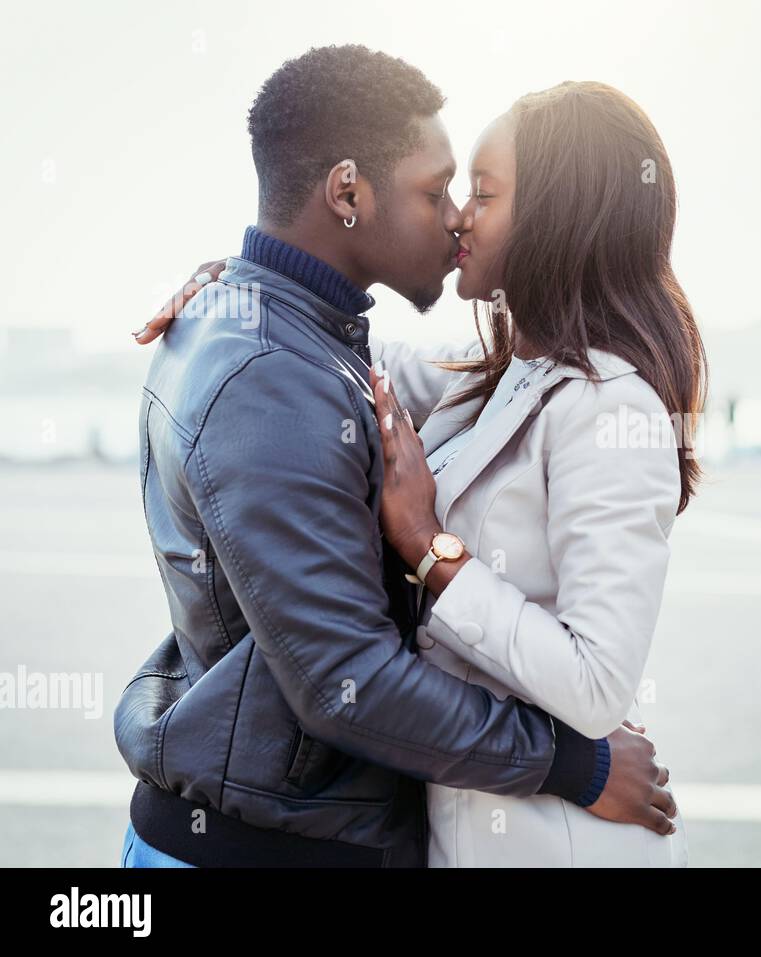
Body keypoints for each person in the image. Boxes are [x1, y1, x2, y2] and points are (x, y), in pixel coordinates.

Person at [116, 45, 673, 869]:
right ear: (348, 192)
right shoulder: (290, 370)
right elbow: (348, 678)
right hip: (286, 842)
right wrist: (233, 282)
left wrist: (432, 552)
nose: (455, 217)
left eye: (478, 194)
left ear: (554, 218)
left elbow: (596, 678)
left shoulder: (568, 393)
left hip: (519, 838)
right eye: (443, 190)